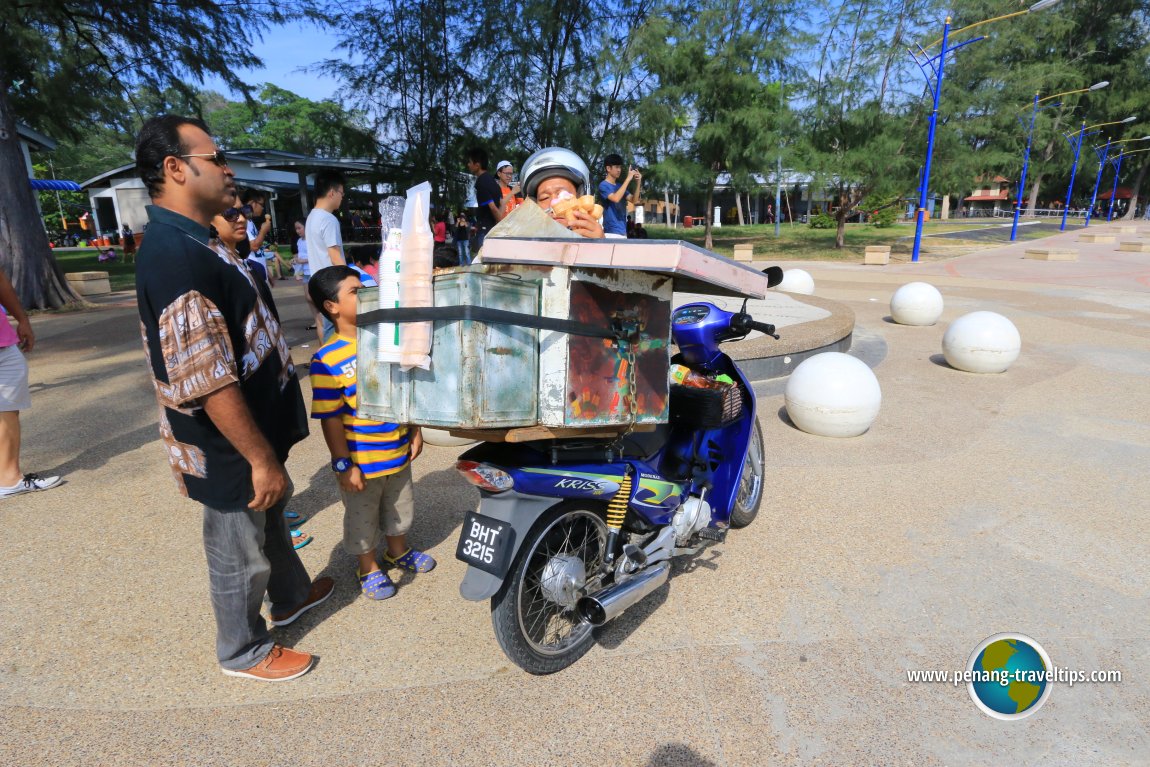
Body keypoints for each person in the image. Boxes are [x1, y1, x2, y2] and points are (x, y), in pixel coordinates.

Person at [133, 114, 332, 682]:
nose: (227, 169)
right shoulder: (176, 254)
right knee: (236, 543)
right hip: (224, 444)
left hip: (249, 433)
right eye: (215, 158)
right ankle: (242, 649)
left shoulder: (202, 240)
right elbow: (207, 379)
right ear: (175, 168)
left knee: (270, 514)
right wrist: (258, 457)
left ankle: (291, 595)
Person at [308, 266, 434, 600]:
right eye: (355, 291)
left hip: (397, 449)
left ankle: (398, 551)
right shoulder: (326, 359)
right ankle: (368, 566)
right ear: (331, 306)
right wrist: (342, 464)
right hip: (361, 461)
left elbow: (403, 390)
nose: (365, 294)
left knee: (399, 507)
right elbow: (330, 417)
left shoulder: (386, 342)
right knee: (362, 517)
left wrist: (414, 430)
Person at [0, 268, 61, 499]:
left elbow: (1, 281)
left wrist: (23, 319)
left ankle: (9, 478)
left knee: (7, 409)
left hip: (3, 342)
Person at [519, 147, 605, 238]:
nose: (553, 204)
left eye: (562, 194)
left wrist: (600, 243)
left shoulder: (595, 235)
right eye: (544, 198)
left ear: (581, 196)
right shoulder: (524, 240)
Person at [305, 169, 348, 341]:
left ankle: (326, 362)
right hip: (332, 285)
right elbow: (335, 256)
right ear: (332, 192)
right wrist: (350, 281)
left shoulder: (312, 217)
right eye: (341, 193)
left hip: (318, 282)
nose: (342, 197)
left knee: (327, 325)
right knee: (336, 328)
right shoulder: (329, 219)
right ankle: (332, 365)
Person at [466, 147, 503, 251]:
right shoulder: (492, 181)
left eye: (470, 162)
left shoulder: (481, 183)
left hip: (485, 231)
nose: (468, 165)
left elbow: (493, 207)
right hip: (491, 228)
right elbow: (502, 202)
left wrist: (501, 226)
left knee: (483, 263)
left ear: (477, 165)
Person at [598, 153, 642, 239]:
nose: (619, 170)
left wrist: (638, 182)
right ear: (608, 168)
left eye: (620, 167)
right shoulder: (603, 185)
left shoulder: (619, 186)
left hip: (623, 232)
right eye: (617, 167)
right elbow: (615, 198)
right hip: (611, 232)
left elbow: (634, 200)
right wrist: (628, 178)